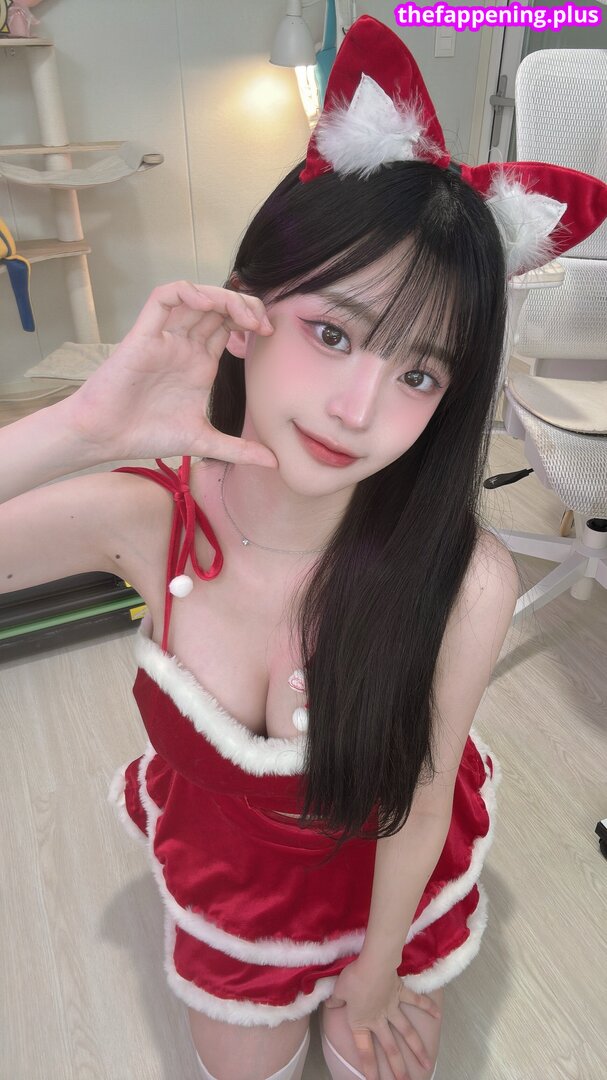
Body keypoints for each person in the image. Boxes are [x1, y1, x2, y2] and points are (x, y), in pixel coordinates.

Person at [2, 16, 607, 1080]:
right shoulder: (146, 516)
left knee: (371, 1052)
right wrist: (80, 428)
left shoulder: (461, 577)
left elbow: (421, 800)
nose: (358, 410)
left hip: (384, 876)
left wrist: (375, 975)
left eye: (419, 374)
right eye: (332, 332)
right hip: (237, 880)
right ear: (248, 303)